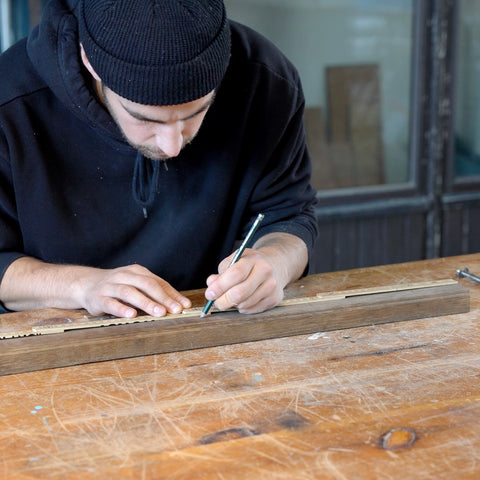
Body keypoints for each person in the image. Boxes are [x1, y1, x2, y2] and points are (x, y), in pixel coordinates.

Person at [0, 0, 318, 319]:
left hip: (211, 326)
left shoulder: (266, 80)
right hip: (53, 344)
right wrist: (82, 287)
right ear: (89, 62)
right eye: (146, 119)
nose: (173, 146)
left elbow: (290, 216)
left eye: (196, 113)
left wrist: (274, 263)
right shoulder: (10, 103)